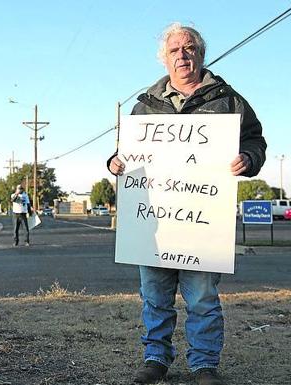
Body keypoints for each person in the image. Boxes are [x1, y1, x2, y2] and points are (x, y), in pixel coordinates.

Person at [107, 24, 266, 385]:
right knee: (154, 297)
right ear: (164, 58)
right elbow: (127, 152)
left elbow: (256, 141)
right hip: (154, 226)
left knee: (202, 298)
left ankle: (204, 364)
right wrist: (114, 162)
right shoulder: (144, 104)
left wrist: (248, 158)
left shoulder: (227, 99)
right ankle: (155, 359)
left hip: (202, 225)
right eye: (175, 49)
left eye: (190, 47)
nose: (183, 54)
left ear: (201, 54)